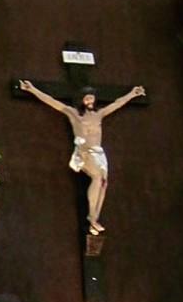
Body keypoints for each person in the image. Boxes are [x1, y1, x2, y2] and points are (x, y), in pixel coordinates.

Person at [19, 79, 145, 235]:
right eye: (87, 98)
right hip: (84, 152)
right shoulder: (73, 113)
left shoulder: (99, 114)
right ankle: (92, 217)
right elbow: (51, 101)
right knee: (97, 177)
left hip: (98, 153)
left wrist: (132, 94)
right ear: (81, 100)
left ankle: (95, 218)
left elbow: (117, 104)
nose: (90, 100)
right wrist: (32, 90)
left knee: (103, 183)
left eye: (92, 97)